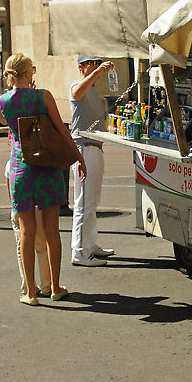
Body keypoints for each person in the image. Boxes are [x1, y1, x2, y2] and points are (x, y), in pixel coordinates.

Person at [0, 53, 86, 306]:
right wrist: (79, 157)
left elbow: (11, 128)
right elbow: (60, 129)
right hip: (47, 168)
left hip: (20, 170)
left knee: (26, 231)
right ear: (28, 73)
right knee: (51, 230)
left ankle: (31, 293)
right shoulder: (42, 96)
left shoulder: (0, 101)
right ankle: (55, 287)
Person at [70, 55, 116, 267]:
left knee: (92, 200)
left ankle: (89, 243)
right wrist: (96, 73)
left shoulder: (94, 90)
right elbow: (76, 92)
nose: (97, 67)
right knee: (84, 201)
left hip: (94, 146)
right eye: (92, 63)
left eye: (98, 63)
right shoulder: (78, 85)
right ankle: (79, 250)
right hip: (84, 148)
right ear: (82, 67)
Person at [6, 158, 51, 297]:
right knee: (42, 247)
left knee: (22, 248)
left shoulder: (11, 164)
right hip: (37, 208)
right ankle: (47, 286)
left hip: (19, 209)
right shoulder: (37, 161)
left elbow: (11, 190)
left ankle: (27, 286)